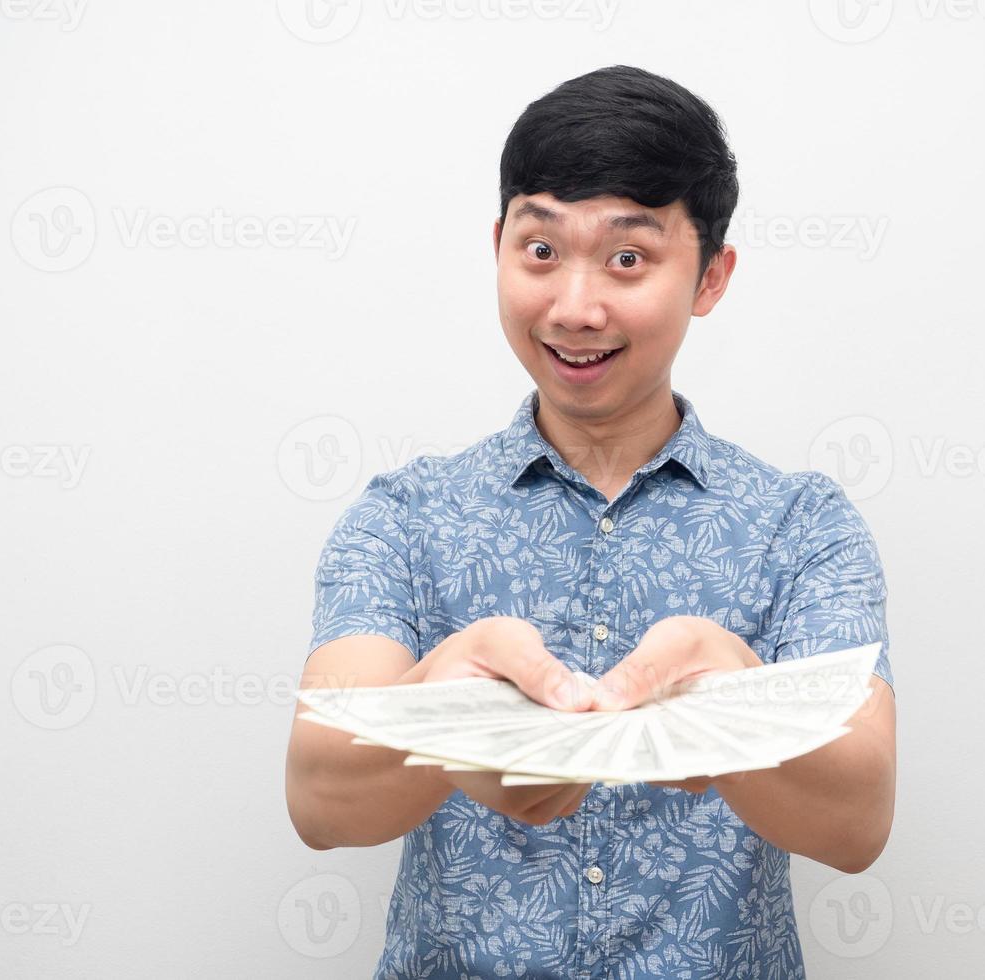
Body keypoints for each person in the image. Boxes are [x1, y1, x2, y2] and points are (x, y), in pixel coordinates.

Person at [285, 63, 896, 980]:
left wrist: (731, 704)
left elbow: (856, 824)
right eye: (539, 251)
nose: (574, 308)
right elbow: (320, 800)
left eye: (627, 258)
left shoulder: (799, 526)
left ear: (710, 275)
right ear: (497, 246)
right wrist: (444, 714)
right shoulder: (403, 519)